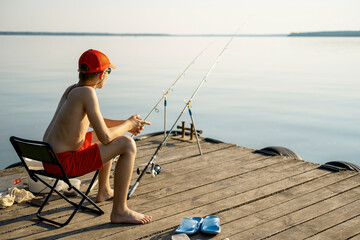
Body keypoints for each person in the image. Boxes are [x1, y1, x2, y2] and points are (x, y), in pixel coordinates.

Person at [42, 49, 152, 224]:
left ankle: (104, 191)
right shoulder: (88, 93)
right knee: (127, 144)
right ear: (101, 74)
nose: (108, 76)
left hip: (48, 159)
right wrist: (128, 127)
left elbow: (96, 123)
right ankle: (120, 211)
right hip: (64, 164)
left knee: (102, 137)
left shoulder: (72, 90)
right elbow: (107, 137)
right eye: (108, 72)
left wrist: (126, 123)